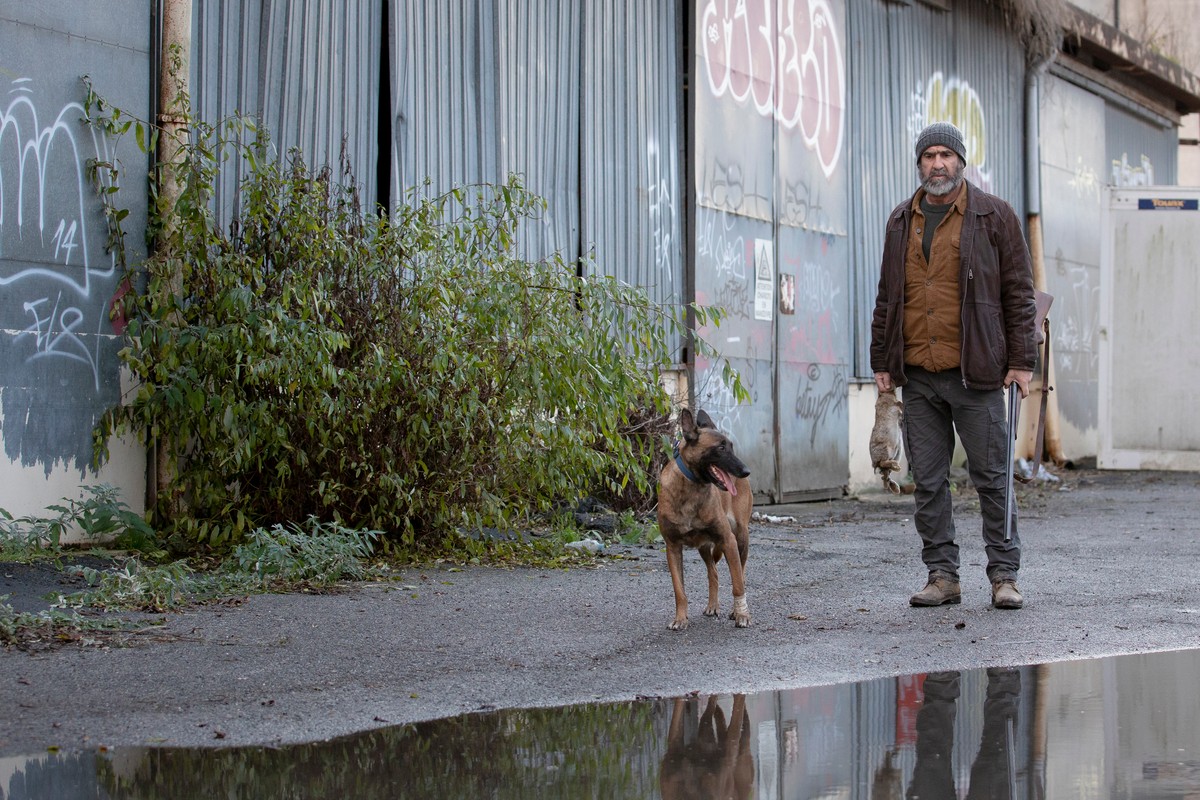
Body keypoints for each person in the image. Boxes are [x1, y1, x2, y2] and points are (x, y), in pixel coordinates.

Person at [870, 121, 1038, 610]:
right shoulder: (902, 220)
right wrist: (882, 361)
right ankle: (942, 575)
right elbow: (887, 298)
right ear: (919, 163)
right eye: (929, 156)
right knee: (928, 481)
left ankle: (1004, 576)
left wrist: (1022, 363)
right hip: (919, 375)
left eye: (946, 155)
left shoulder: (994, 216)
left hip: (979, 373)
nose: (937, 163)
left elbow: (1019, 295)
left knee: (992, 478)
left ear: (961, 162)